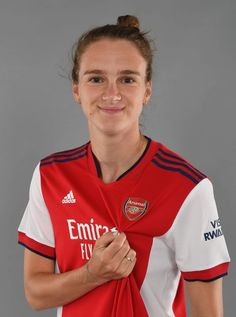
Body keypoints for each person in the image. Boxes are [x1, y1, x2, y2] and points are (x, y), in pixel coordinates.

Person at [18, 15, 230, 317]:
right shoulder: (51, 175)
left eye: (127, 79)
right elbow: (35, 294)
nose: (112, 93)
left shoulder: (188, 188)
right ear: (76, 89)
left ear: (147, 90)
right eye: (96, 78)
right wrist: (93, 273)